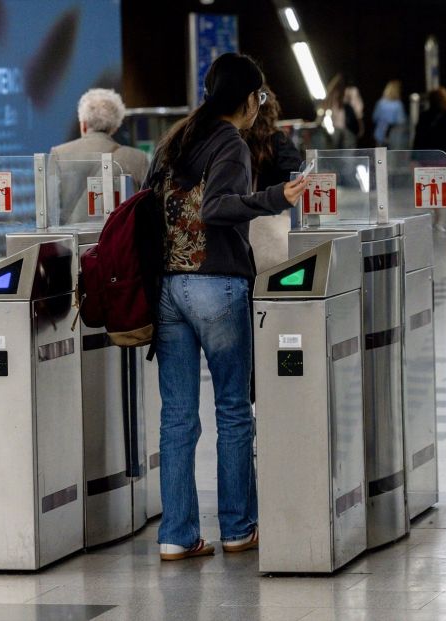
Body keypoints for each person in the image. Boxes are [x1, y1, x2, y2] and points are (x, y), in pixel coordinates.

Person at [142, 53, 308, 561]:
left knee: (177, 417)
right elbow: (217, 207)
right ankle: (238, 527)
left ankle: (178, 535)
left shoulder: (176, 139)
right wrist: (275, 196)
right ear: (247, 98)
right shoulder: (230, 142)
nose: (261, 106)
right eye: (259, 97)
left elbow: (150, 202)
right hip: (217, 283)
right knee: (234, 410)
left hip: (167, 288)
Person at [51, 88, 149, 222]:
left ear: (83, 124)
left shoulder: (59, 154)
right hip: (118, 240)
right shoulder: (137, 158)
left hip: (72, 241)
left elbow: (50, 208)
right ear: (115, 126)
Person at [243, 87, 303, 273]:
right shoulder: (277, 141)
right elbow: (296, 176)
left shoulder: (231, 141)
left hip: (239, 237)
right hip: (274, 228)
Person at [412, 86, 446, 232]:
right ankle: (442, 220)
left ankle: (434, 217)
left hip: (427, 159)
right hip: (444, 159)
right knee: (444, 189)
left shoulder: (424, 116)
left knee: (429, 190)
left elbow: (418, 138)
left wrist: (414, 157)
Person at [322, 74, 364, 149]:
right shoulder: (351, 92)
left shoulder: (332, 93)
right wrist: (361, 126)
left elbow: (325, 108)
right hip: (345, 127)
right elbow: (358, 111)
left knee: (334, 151)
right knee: (348, 153)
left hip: (337, 127)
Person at [372, 80, 407, 148]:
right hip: (393, 137)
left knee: (380, 158)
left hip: (380, 135)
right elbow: (401, 121)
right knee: (392, 157)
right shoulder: (398, 104)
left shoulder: (380, 103)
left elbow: (374, 118)